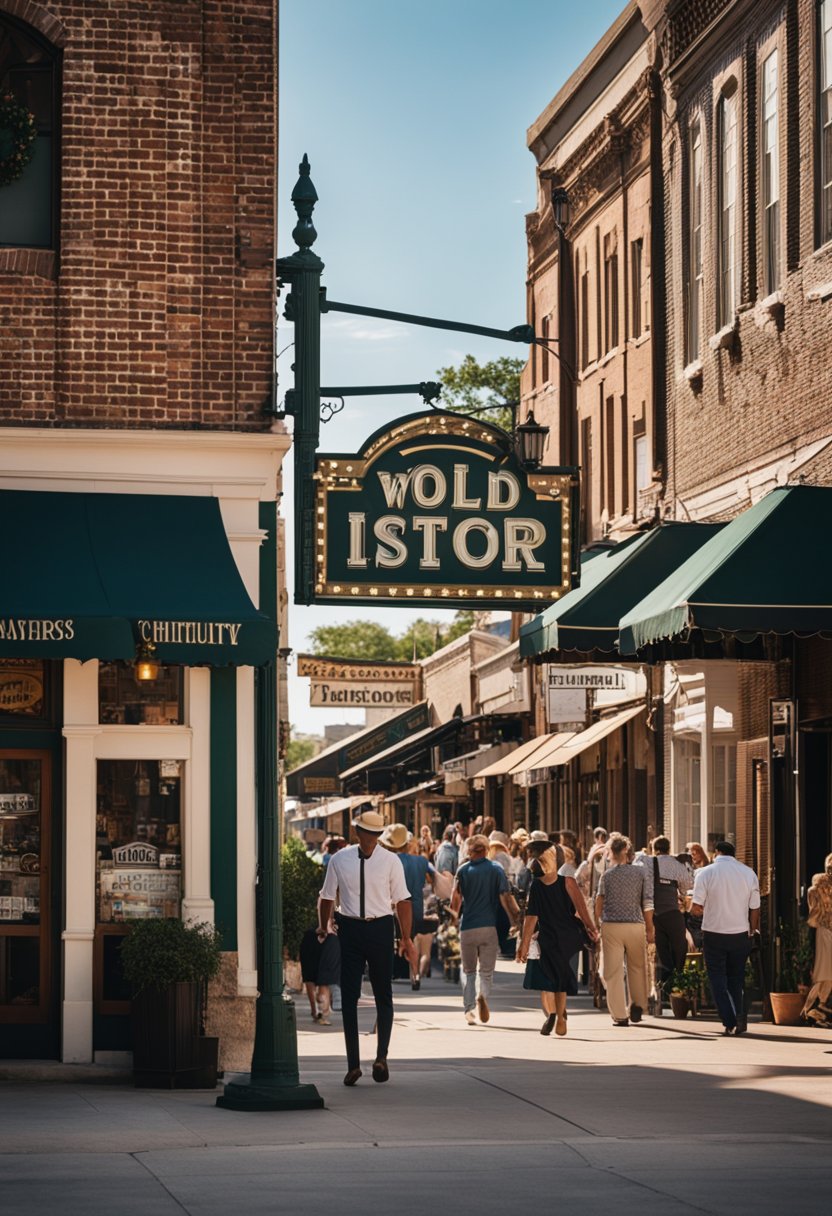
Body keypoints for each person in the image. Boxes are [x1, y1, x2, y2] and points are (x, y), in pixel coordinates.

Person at [318, 809, 416, 1086]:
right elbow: (326, 897)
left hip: (380, 928)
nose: (371, 838)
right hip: (350, 928)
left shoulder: (390, 861)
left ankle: (381, 1057)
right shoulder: (340, 859)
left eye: (374, 834)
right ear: (359, 833)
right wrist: (324, 925)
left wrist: (406, 937)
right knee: (350, 997)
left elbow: (403, 900)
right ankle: (353, 1065)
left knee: (382, 993)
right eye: (368, 833)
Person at [517, 842, 597, 1036]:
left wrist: (524, 944)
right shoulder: (568, 882)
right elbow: (581, 909)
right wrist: (591, 928)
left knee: (547, 981)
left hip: (548, 937)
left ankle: (552, 1013)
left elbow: (531, 918)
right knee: (561, 981)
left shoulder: (536, 886)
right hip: (568, 938)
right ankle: (560, 1017)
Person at [689, 840, 760, 1035]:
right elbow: (755, 909)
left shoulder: (706, 873)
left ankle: (730, 1019)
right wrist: (752, 932)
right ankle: (739, 1016)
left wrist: (692, 909)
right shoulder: (748, 873)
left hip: (714, 934)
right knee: (736, 979)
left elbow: (696, 908)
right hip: (740, 934)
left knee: (717, 978)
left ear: (717, 852)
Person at [451, 834, 520, 1025]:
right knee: (486, 971)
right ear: (487, 850)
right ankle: (483, 995)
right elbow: (505, 897)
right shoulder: (496, 869)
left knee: (468, 970)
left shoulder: (462, 870)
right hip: (489, 927)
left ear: (470, 851)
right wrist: (515, 920)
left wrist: (452, 920)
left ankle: (469, 1009)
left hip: (468, 927)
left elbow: (454, 900)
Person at [595, 834, 655, 1026]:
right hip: (635, 925)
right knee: (637, 967)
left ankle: (620, 1015)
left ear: (611, 852)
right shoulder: (640, 873)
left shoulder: (607, 875)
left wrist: (598, 922)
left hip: (612, 925)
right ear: (627, 851)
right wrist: (650, 928)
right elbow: (647, 902)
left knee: (613, 972)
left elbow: (599, 901)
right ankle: (637, 1004)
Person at [635, 835, 692, 1002]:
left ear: (654, 849)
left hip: (653, 914)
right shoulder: (676, 864)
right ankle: (678, 986)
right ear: (669, 848)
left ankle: (664, 988)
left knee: (661, 953)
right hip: (672, 913)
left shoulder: (647, 863)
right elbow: (686, 887)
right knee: (679, 950)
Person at [381, 822, 435, 990]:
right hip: (416, 908)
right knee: (410, 940)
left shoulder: (387, 861)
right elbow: (433, 880)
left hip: (393, 909)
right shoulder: (421, 861)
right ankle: (415, 974)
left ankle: (386, 973)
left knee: (388, 942)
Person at [803, 853, 832, 1018]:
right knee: (824, 970)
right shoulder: (818, 886)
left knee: (824, 970)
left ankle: (817, 1006)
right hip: (825, 930)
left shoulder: (817, 887)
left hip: (823, 930)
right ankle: (816, 1007)